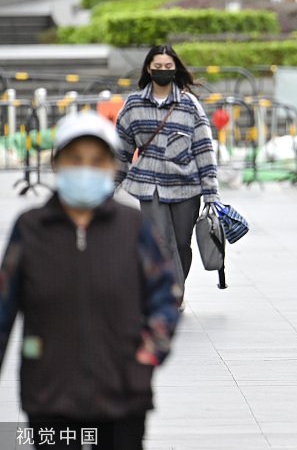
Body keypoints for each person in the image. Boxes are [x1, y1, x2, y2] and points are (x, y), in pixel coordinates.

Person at [0, 111, 180, 450]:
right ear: (57, 163)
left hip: (123, 394)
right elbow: (2, 308)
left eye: (97, 161)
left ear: (112, 167)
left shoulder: (133, 228)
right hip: (49, 395)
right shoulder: (31, 229)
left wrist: (146, 357)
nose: (86, 168)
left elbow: (165, 297)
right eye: (76, 159)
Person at [116, 44, 221, 307]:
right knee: (161, 241)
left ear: (175, 69)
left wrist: (211, 192)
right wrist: (108, 186)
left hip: (186, 186)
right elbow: (120, 149)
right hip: (149, 186)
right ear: (148, 69)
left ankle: (177, 287)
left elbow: (204, 149)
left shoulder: (189, 105)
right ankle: (170, 294)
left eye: (168, 66)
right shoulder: (133, 105)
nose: (163, 71)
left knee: (182, 244)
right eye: (158, 67)